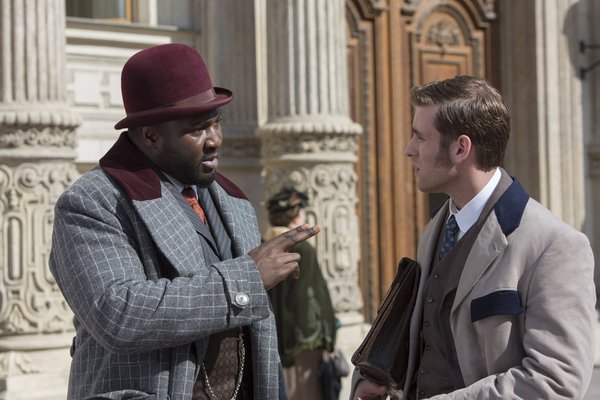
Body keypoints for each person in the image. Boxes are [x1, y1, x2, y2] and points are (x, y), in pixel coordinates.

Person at [49, 43, 320, 400]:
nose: (215, 141)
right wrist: (247, 277)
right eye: (198, 129)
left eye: (216, 124)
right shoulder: (92, 201)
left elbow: (259, 340)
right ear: (150, 135)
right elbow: (118, 312)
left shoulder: (232, 199)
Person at [351, 75, 596, 399]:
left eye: (419, 137)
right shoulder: (437, 228)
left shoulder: (555, 246)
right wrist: (380, 377)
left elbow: (554, 381)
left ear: (460, 148)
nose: (409, 150)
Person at [265, 187, 339, 400]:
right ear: (296, 214)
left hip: (276, 332)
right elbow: (313, 294)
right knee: (307, 391)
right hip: (305, 335)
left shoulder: (264, 245)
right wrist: (327, 333)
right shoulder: (303, 248)